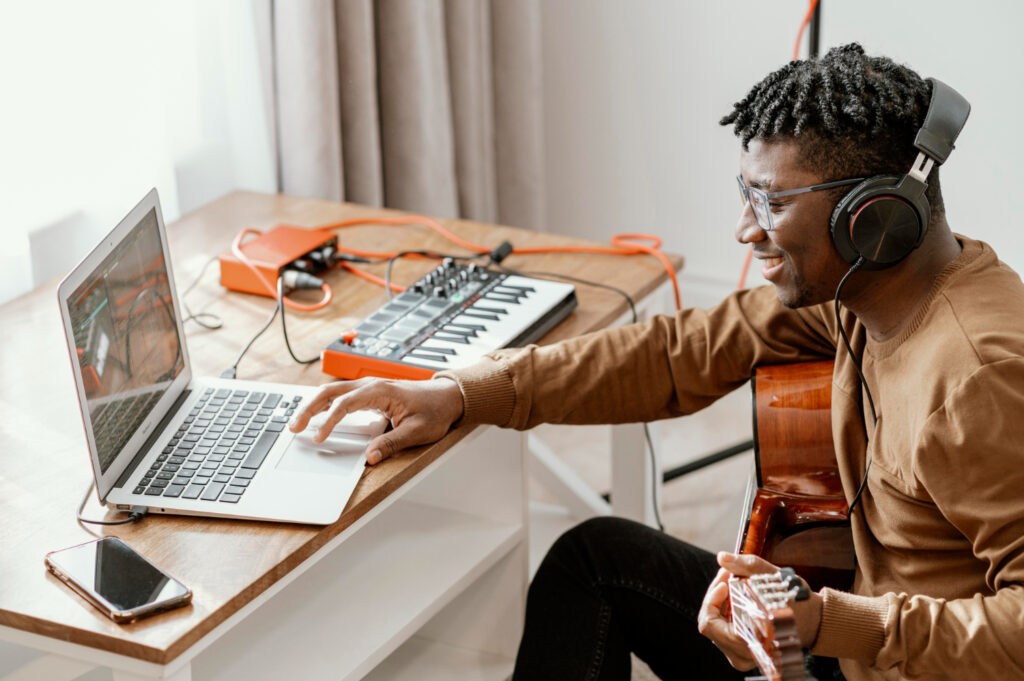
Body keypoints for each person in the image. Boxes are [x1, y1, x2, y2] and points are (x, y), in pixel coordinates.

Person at [290, 44, 1024, 681]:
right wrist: (461, 391)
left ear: (871, 218)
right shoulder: (861, 294)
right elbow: (680, 352)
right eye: (746, 195)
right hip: (853, 646)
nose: (744, 229)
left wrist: (828, 622)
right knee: (593, 560)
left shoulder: (978, 376)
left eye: (771, 203)